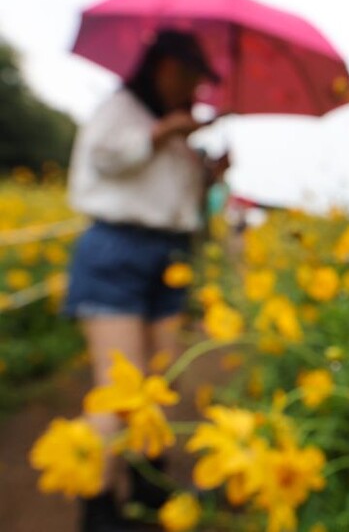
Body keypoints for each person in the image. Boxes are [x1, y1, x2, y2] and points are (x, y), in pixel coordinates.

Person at [63, 29, 227, 532]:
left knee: (161, 381)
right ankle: (97, 508)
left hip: (166, 254)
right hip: (117, 249)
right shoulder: (124, 110)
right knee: (120, 389)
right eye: (193, 78)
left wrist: (211, 174)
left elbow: (180, 206)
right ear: (165, 68)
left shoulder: (173, 131)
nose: (197, 91)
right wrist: (163, 133)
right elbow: (101, 158)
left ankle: (149, 490)